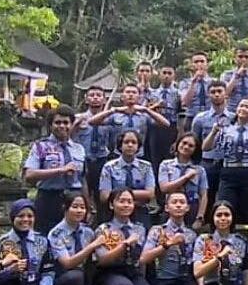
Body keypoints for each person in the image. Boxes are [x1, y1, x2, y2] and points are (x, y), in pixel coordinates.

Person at [93, 188, 160, 285]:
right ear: (112, 205)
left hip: (133, 273)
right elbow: (102, 260)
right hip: (109, 273)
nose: (126, 205)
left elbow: (142, 259)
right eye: (121, 201)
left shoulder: (139, 229)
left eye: (129, 202)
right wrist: (124, 245)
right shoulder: (103, 229)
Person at [47, 193, 108, 285]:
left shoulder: (88, 232)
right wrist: (91, 246)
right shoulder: (56, 233)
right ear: (65, 208)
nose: (79, 211)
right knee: (74, 276)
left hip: (82, 281)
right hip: (61, 280)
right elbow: (67, 263)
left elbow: (96, 259)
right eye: (75, 207)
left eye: (82, 207)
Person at [22, 105, 87, 234]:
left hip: (74, 199)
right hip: (49, 199)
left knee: (74, 237)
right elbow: (29, 175)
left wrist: (88, 204)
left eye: (66, 122)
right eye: (57, 123)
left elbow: (83, 178)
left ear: (71, 124)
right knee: (45, 237)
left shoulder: (79, 149)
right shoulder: (41, 147)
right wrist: (60, 170)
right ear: (50, 125)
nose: (62, 126)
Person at [206, 98, 248, 225]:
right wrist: (214, 131)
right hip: (229, 170)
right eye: (241, 105)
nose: (243, 109)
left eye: (247, 107)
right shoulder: (225, 130)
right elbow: (206, 147)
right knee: (225, 205)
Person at [145, 193, 199, 285]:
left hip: (186, 280)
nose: (179, 205)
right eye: (174, 202)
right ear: (167, 207)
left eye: (182, 202)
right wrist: (168, 244)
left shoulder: (191, 234)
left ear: (187, 208)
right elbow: (144, 258)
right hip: (165, 281)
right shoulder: (157, 231)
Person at [191, 80, 234, 219]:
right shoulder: (200, 118)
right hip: (207, 162)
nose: (216, 95)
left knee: (226, 198)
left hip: (227, 163)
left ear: (225, 94)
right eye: (213, 92)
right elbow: (195, 144)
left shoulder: (234, 118)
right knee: (206, 195)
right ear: (209, 95)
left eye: (219, 91)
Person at [99, 130, 157, 229]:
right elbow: (104, 196)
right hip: (115, 212)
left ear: (138, 147)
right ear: (120, 146)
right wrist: (135, 195)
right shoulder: (109, 167)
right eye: (126, 142)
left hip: (140, 210)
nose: (130, 145)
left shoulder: (146, 166)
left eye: (134, 142)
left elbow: (150, 194)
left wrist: (121, 196)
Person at [73, 86, 111, 221]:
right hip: (83, 160)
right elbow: (69, 137)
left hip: (102, 159)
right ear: (86, 99)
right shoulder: (78, 118)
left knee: (102, 195)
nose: (95, 98)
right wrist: (75, 125)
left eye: (99, 95)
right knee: (82, 194)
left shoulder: (109, 119)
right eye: (92, 95)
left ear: (104, 99)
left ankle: (102, 223)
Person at [157, 132, 209, 228]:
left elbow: (203, 195)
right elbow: (164, 188)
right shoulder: (166, 165)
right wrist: (186, 177)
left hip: (192, 208)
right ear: (178, 144)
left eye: (191, 145)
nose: (186, 147)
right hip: (171, 207)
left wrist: (200, 217)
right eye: (184, 143)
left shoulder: (199, 170)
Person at [148, 64, 181, 173]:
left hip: (171, 129)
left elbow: (180, 114)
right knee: (154, 160)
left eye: (169, 73)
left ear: (174, 76)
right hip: (155, 130)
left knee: (170, 160)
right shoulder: (152, 93)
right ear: (159, 76)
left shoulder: (178, 94)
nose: (166, 76)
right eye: (164, 73)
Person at [221, 44, 248, 126]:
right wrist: (236, 76)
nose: (243, 59)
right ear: (235, 58)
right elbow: (224, 94)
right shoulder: (227, 75)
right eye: (240, 57)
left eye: (246, 57)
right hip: (231, 114)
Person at [179, 51, 214, 130]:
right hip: (192, 117)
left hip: (210, 116)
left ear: (207, 64)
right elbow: (185, 102)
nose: (199, 64)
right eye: (196, 62)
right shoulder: (185, 82)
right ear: (192, 65)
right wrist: (193, 82)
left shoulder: (213, 82)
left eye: (202, 61)